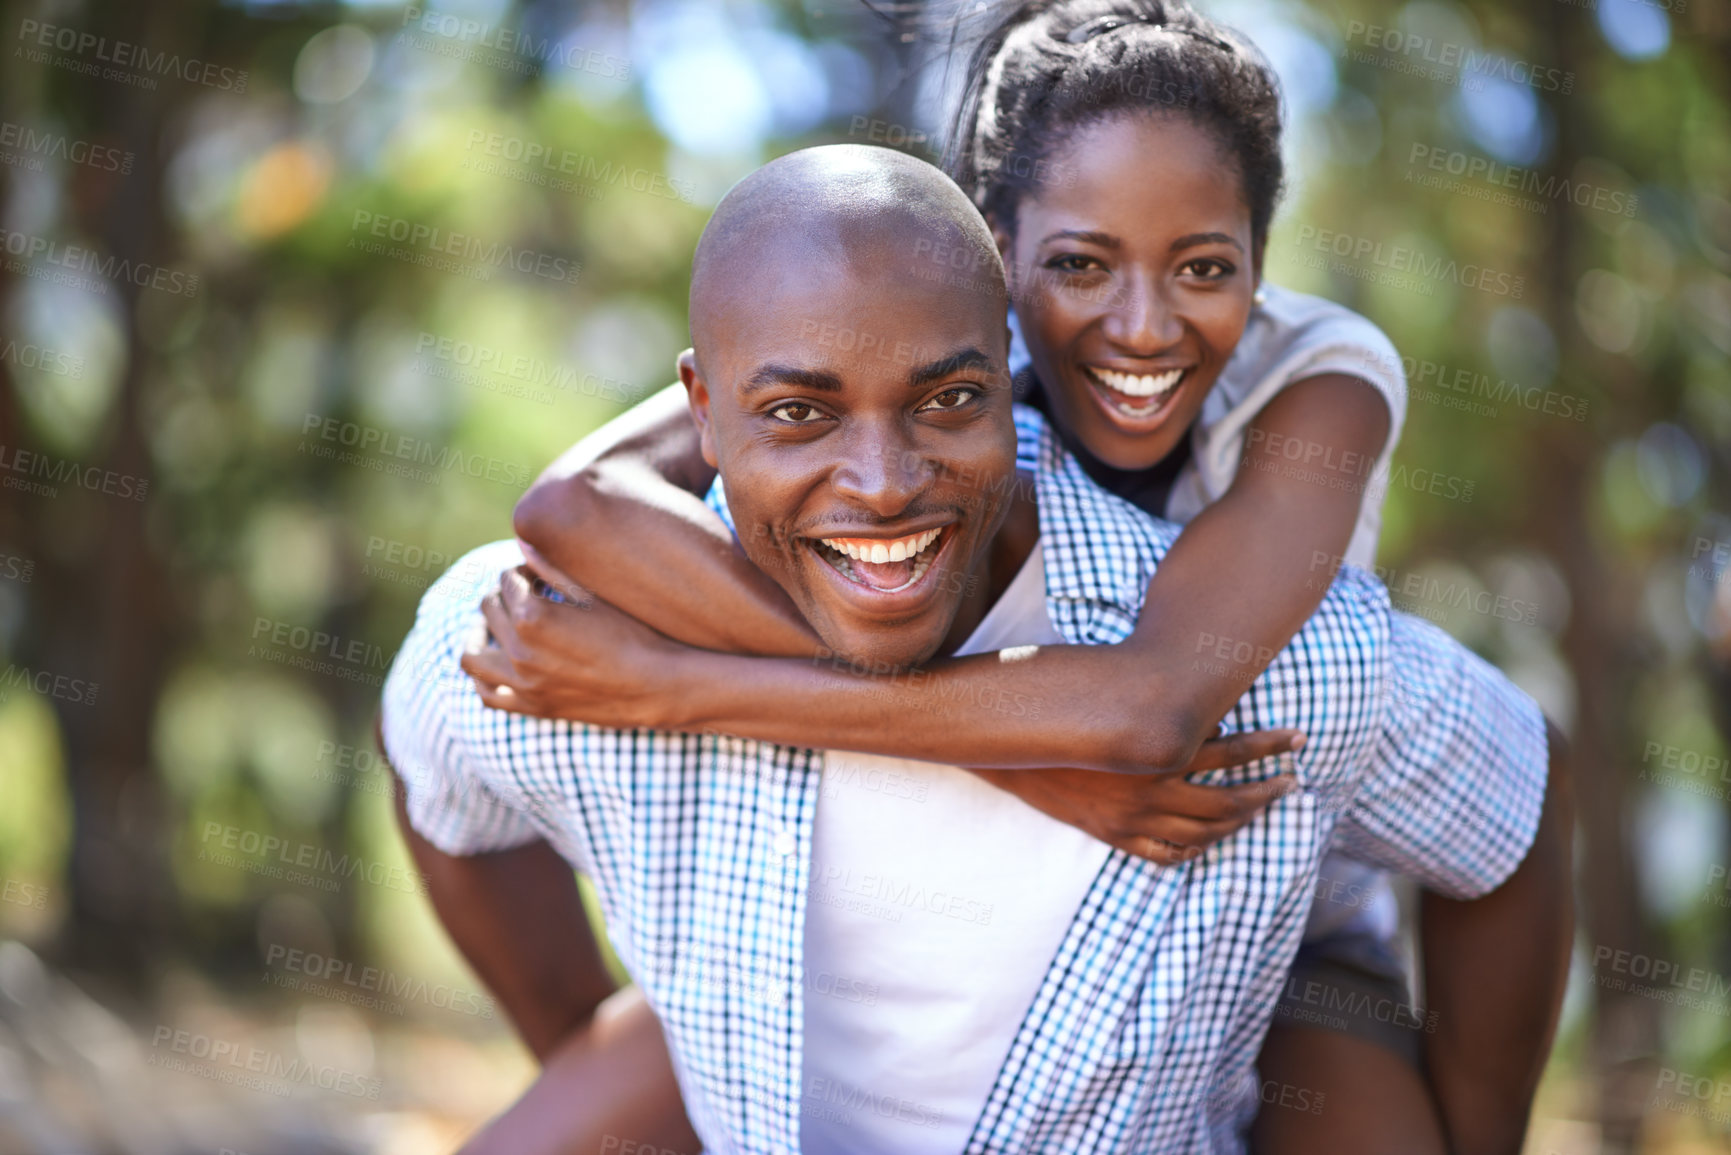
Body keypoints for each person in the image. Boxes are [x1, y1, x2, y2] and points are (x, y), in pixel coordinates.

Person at [477, 2, 1573, 1151]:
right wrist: (1037, 767)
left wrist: (677, 685)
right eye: (1080, 265)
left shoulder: (1319, 385)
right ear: (995, 256)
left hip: (1276, 886)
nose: (1142, 327)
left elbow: (1151, 710)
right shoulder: (933, 355)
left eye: (1205, 266)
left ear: (1260, 255)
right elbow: (570, 506)